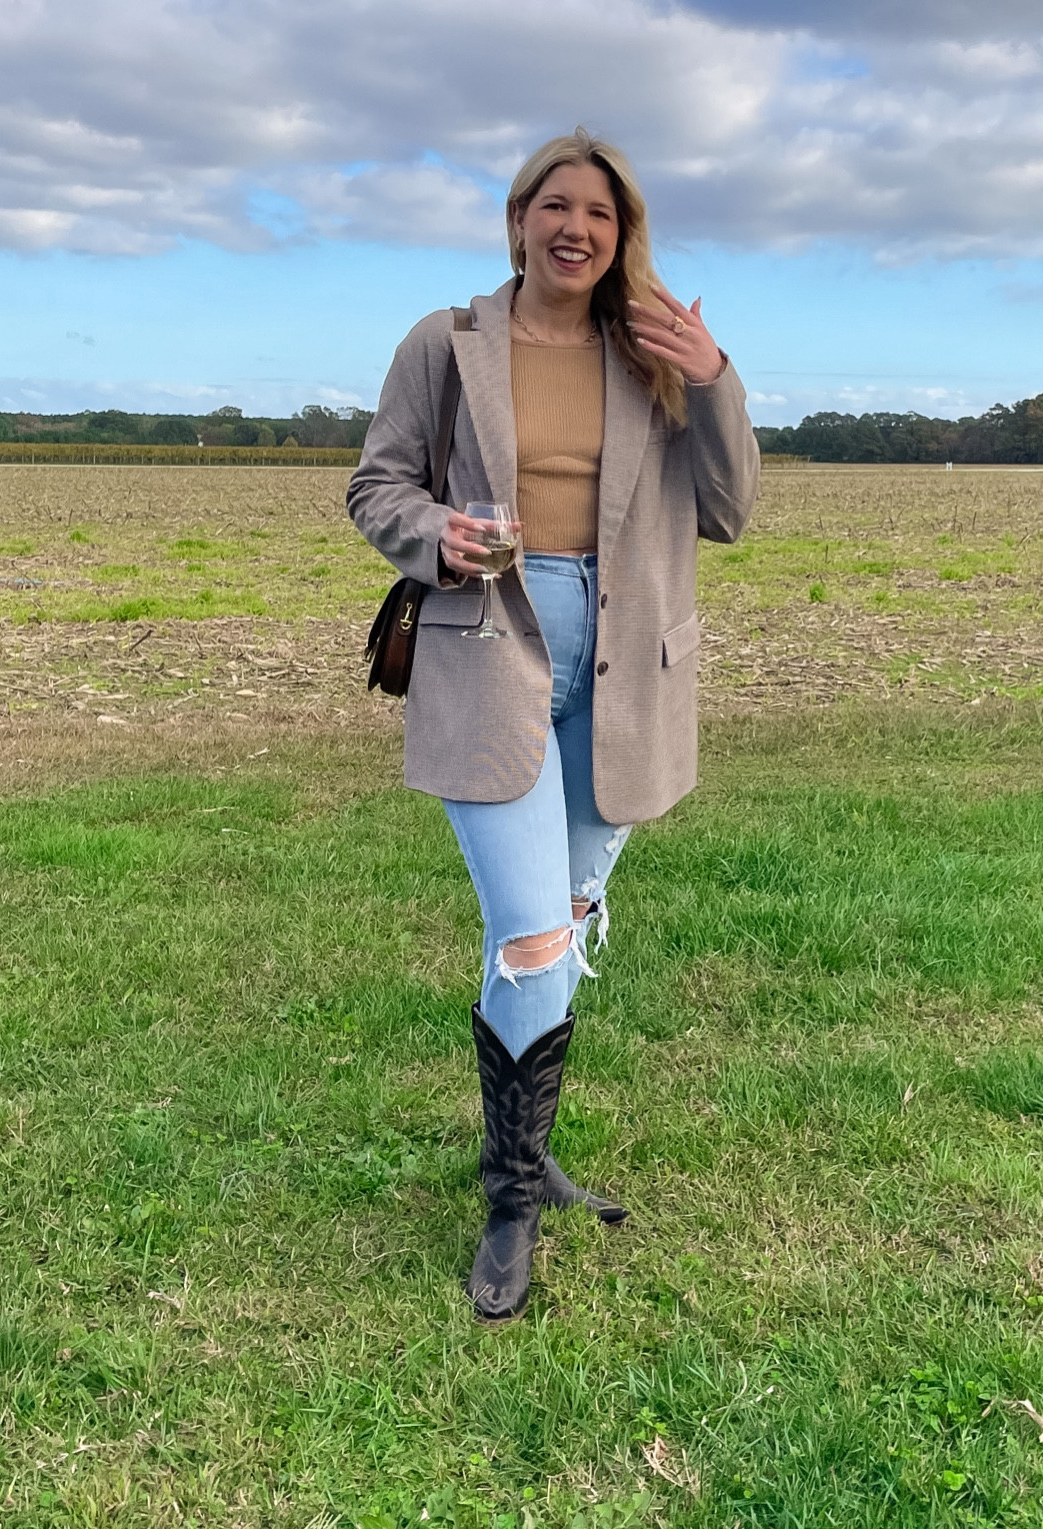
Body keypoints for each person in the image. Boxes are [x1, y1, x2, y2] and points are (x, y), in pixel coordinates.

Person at [346, 130, 759, 1321]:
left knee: (561, 920)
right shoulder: (448, 343)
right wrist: (438, 540)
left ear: (623, 236)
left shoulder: (657, 356)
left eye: (602, 215)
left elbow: (729, 511)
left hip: (631, 659)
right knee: (532, 935)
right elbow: (377, 486)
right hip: (491, 642)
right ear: (519, 218)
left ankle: (526, 1149)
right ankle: (510, 1202)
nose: (576, 228)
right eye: (555, 206)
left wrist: (715, 373)